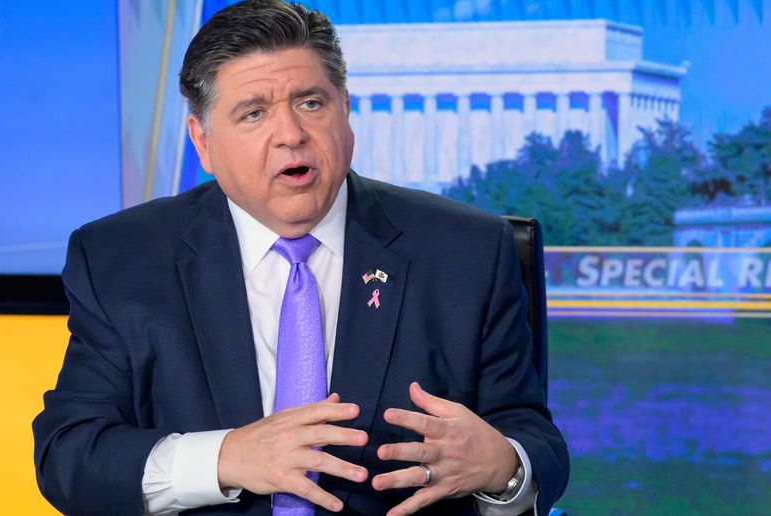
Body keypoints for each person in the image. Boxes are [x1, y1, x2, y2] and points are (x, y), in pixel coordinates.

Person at [32, 1, 569, 514]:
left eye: (311, 103)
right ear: (203, 141)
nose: (291, 135)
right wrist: (226, 458)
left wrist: (504, 467)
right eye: (254, 113)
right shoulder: (120, 259)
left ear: (347, 111)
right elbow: (70, 457)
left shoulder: (467, 251)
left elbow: (531, 438)